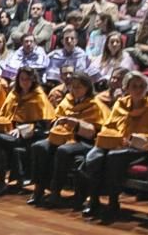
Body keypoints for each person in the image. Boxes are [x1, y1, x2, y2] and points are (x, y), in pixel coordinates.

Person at [77, 71, 148, 222]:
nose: (138, 90)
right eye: (134, 86)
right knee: (94, 156)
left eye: (141, 86)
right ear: (127, 88)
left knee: (114, 157)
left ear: (147, 88)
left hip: (138, 148)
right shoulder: (121, 103)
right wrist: (113, 137)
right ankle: (93, 200)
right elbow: (109, 125)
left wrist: (135, 139)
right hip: (116, 142)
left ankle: (113, 202)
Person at [0, 67, 54, 195]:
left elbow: (43, 124)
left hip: (28, 136)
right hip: (8, 132)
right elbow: (4, 114)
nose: (24, 82)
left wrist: (21, 129)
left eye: (28, 79)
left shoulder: (39, 96)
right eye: (22, 79)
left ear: (33, 80)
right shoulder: (14, 94)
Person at [25, 72, 106, 206]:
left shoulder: (94, 104)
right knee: (39, 146)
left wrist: (76, 124)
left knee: (63, 151)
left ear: (87, 88)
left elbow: (93, 132)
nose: (75, 90)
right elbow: (55, 119)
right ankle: (38, 189)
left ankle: (55, 192)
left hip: (84, 141)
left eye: (78, 87)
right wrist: (58, 123)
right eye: (72, 87)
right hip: (62, 136)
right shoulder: (67, 100)